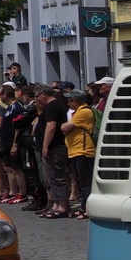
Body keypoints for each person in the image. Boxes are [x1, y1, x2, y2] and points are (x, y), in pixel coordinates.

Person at [35, 83, 71, 217]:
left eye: (37, 96)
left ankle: (63, 206)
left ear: (43, 95)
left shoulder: (53, 106)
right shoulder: (49, 107)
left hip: (55, 147)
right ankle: (56, 204)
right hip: (51, 147)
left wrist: (45, 146)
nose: (36, 100)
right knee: (50, 177)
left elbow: (51, 126)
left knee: (57, 176)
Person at [60, 87, 97, 217]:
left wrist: (65, 125)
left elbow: (65, 127)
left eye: (70, 101)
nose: (68, 104)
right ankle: (83, 207)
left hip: (84, 151)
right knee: (81, 182)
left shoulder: (83, 112)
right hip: (76, 150)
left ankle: (87, 209)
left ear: (76, 101)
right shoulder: (78, 112)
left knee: (85, 183)